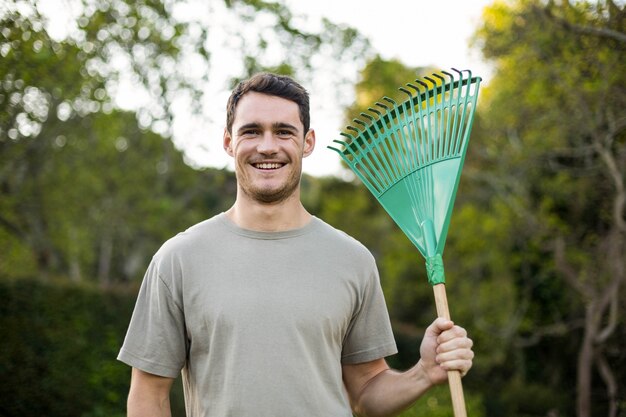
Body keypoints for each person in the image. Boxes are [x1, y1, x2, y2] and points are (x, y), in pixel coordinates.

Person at [117, 72, 474, 417]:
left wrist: (425, 372)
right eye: (252, 131)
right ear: (229, 142)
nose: (268, 146)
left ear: (308, 141)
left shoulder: (352, 260)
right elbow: (148, 393)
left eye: (284, 132)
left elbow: (366, 393)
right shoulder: (178, 259)